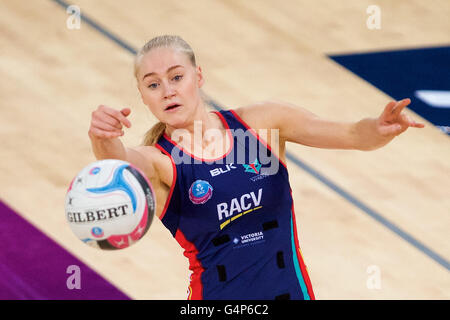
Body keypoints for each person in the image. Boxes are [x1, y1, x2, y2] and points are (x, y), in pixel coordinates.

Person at [88, 35, 425, 300]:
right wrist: (102, 136)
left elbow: (353, 134)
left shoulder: (263, 123)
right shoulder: (158, 161)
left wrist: (379, 128)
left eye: (176, 77)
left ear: (199, 76)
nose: (168, 91)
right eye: (153, 84)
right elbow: (117, 166)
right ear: (143, 96)